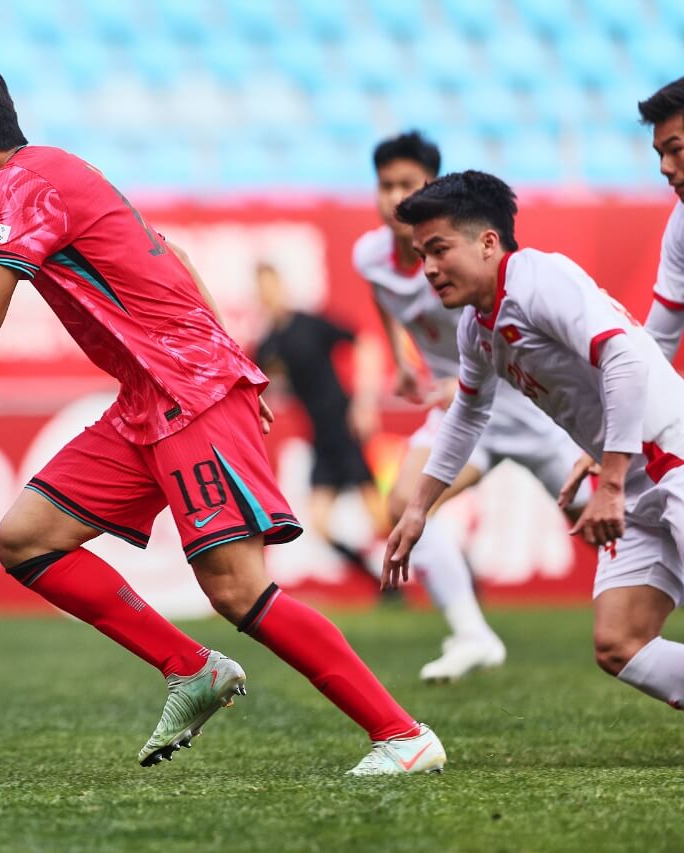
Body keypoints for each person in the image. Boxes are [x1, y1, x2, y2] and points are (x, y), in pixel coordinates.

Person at [0, 59, 445, 775]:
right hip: (152, 400)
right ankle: (192, 669)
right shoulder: (56, 170)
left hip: (186, 395)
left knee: (237, 588)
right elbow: (177, 256)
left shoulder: (20, 185)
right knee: (27, 539)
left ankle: (402, 734)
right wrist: (232, 363)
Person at [385, 170, 684, 714]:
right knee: (619, 643)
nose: (428, 268)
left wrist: (609, 481)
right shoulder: (475, 328)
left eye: (439, 249)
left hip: (672, 461)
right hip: (635, 483)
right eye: (420, 253)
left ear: (488, 242)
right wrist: (418, 509)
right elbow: (466, 416)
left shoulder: (539, 278)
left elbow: (623, 359)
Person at [356, 132, 589, 682]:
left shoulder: (467, 256)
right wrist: (401, 356)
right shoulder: (371, 256)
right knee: (404, 506)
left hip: (530, 405)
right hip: (466, 412)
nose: (393, 196)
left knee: (609, 516)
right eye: (385, 184)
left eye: (407, 184)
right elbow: (381, 293)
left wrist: (461, 376)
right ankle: (470, 632)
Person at [252, 262, 391, 585]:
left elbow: (364, 342)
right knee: (319, 523)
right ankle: (377, 578)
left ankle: (449, 559)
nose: (268, 294)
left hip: (344, 428)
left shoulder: (309, 324)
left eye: (271, 286)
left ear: (281, 288)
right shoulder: (268, 344)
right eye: (261, 289)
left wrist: (365, 401)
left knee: (382, 517)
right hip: (320, 438)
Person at [638, 77, 684, 362]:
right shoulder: (680, 228)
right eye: (660, 154)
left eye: (675, 150)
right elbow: (658, 345)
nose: (664, 168)